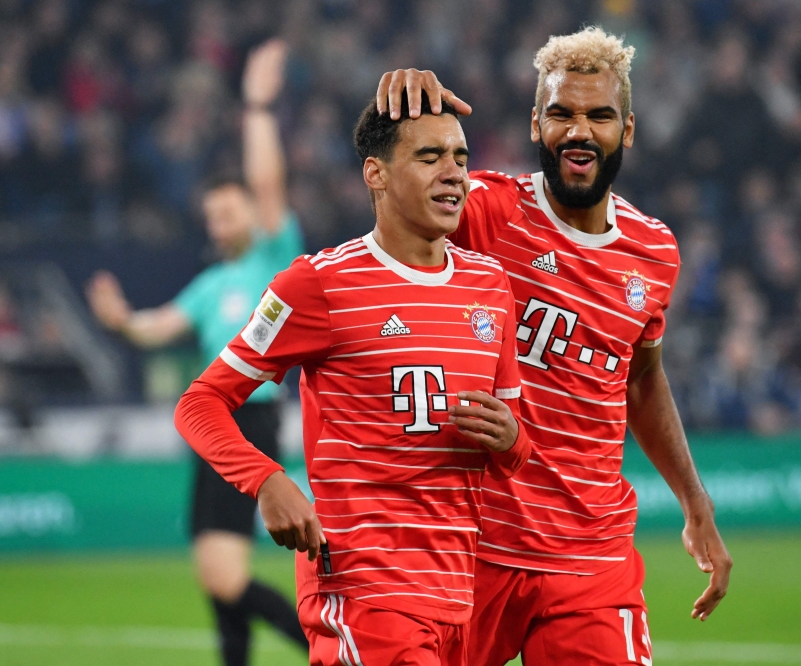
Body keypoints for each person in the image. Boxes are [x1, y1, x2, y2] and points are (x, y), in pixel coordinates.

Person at [375, 26, 733, 666]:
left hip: (590, 559)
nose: (579, 130)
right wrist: (405, 117)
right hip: (473, 548)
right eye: (562, 113)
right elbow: (398, 213)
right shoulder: (486, 211)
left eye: (599, 115)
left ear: (627, 130)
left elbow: (642, 379)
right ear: (536, 125)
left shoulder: (654, 252)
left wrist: (695, 501)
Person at [175, 91, 532, 665]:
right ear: (377, 173)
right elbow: (200, 402)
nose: (454, 174)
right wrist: (266, 481)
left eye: (461, 158)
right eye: (429, 157)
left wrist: (512, 440)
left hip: (462, 598)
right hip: (367, 595)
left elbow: (517, 450)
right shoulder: (316, 284)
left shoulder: (490, 285)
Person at [85, 40, 307, 666]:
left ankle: (327, 650)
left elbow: (268, 180)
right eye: (209, 215)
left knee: (224, 574)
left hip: (251, 420)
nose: (217, 223)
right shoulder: (213, 284)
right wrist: (122, 321)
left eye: (225, 211)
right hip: (213, 421)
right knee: (217, 576)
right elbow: (159, 326)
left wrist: (257, 107)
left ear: (249, 213)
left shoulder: (273, 250)